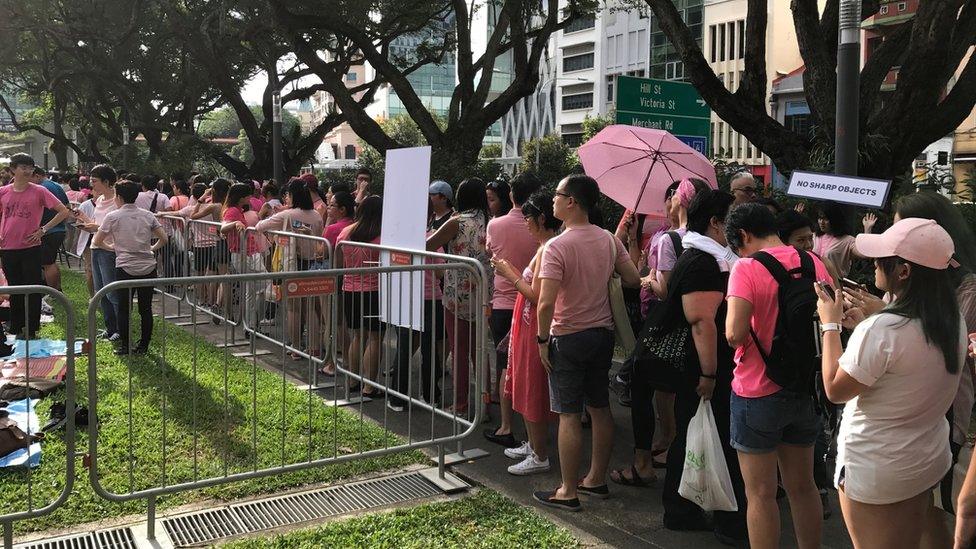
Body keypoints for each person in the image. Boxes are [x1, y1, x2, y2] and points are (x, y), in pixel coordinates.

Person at [815, 218, 964, 549]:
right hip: (925, 458)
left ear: (904, 271)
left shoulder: (882, 330)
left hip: (877, 467)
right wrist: (869, 324)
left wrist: (830, 325)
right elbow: (904, 358)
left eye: (883, 257)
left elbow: (835, 389)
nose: (874, 264)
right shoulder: (951, 317)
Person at [532, 174, 640, 512]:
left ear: (572, 202)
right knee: (600, 408)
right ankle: (596, 479)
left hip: (567, 337)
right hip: (602, 336)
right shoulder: (608, 239)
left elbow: (545, 302)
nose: (553, 200)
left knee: (568, 413)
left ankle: (567, 489)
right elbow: (634, 279)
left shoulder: (557, 246)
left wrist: (541, 338)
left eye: (557, 194)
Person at [724, 203, 829, 549]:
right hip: (804, 387)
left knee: (761, 495)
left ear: (743, 236)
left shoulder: (746, 268)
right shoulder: (811, 262)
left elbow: (735, 333)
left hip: (757, 391)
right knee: (803, 487)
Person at [658, 189, 748, 544]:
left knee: (697, 434)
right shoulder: (703, 262)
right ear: (715, 222)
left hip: (700, 366)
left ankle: (685, 508)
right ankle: (694, 511)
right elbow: (701, 322)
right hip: (701, 367)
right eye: (732, 215)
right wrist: (709, 374)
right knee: (704, 435)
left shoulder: (710, 256)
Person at [492, 190, 560, 475]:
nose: (525, 223)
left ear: (541, 218)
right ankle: (533, 445)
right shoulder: (544, 246)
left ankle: (540, 453)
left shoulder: (550, 248)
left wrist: (510, 274)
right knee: (522, 383)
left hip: (536, 328)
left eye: (528, 217)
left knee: (533, 389)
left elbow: (538, 295)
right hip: (526, 324)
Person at [484, 172, 542, 448]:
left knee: (505, 364)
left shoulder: (495, 225)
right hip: (538, 304)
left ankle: (506, 425)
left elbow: (489, 253)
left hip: (504, 303)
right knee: (535, 365)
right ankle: (537, 424)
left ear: (510, 196)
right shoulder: (545, 229)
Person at [427, 178, 494, 416]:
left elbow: (428, 245)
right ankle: (485, 404)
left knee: (459, 350)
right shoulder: (491, 221)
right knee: (480, 350)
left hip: (457, 293)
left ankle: (461, 404)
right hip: (484, 292)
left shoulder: (457, 222)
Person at [0, 154, 71, 339]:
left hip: (31, 246)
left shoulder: (39, 191)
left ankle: (31, 327)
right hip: (7, 247)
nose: (27, 170)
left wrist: (44, 229)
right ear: (13, 169)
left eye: (30, 167)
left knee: (32, 287)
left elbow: (63, 211)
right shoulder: (3, 192)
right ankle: (15, 326)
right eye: (23, 167)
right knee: (14, 288)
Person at [93, 181, 168, 355]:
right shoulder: (147, 215)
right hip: (148, 266)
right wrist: (151, 248)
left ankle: (126, 346)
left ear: (118, 197)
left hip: (125, 266)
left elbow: (97, 241)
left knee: (124, 309)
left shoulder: (113, 216)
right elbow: (163, 238)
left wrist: (113, 248)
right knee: (146, 309)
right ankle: (143, 346)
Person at [256, 179, 326, 360]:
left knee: (293, 308)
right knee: (310, 307)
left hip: (292, 264)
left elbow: (259, 226)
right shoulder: (317, 215)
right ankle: (314, 347)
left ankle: (296, 347)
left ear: (292, 195)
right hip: (312, 264)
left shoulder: (288, 215)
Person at [334, 195, 384, 397]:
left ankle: (353, 379)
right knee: (375, 338)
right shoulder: (381, 236)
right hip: (374, 292)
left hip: (349, 290)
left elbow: (338, 262)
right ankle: (369, 386)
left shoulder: (345, 232)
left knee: (357, 336)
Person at [319, 190, 357, 376]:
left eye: (332, 205)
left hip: (333, 277)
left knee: (331, 322)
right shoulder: (357, 225)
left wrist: (326, 224)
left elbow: (321, 251)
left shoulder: (334, 229)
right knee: (341, 323)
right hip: (349, 279)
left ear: (342, 209)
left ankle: (332, 363)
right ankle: (347, 361)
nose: (329, 207)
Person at [222, 183, 266, 327]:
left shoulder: (237, 210)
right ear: (241, 197)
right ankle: (252, 324)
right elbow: (223, 228)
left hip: (247, 252)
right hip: (244, 253)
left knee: (252, 289)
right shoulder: (233, 211)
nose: (250, 197)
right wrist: (235, 223)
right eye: (248, 195)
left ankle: (251, 323)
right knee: (261, 285)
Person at [31, 166, 70, 292]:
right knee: (52, 261)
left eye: (30, 178)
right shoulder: (56, 185)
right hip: (59, 229)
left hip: (47, 230)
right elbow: (67, 206)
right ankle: (58, 289)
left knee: (47, 263)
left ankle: (53, 292)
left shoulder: (42, 189)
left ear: (37, 176)